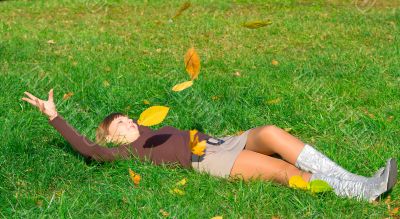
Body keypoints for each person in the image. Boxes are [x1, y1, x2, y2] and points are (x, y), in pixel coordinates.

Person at [22, 89, 397, 202]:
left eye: (129, 117)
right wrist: (53, 116)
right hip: (209, 159)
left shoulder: (151, 128)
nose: (129, 120)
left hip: (222, 142)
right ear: (109, 136)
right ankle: (361, 192)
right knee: (285, 173)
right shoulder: (121, 152)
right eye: (120, 122)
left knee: (269, 131)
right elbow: (86, 149)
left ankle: (354, 178)